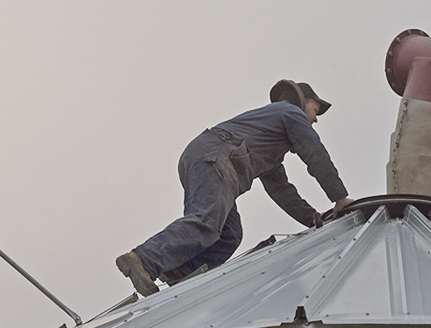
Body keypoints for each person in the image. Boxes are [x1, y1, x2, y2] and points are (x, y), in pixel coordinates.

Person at [116, 80, 353, 296]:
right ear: (303, 101)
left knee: (230, 234)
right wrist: (340, 197)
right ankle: (143, 259)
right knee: (207, 220)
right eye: (315, 109)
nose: (316, 118)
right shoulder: (290, 112)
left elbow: (281, 191)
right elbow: (315, 154)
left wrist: (313, 219)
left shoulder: (269, 138)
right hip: (216, 156)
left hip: (206, 156)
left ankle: (180, 269)